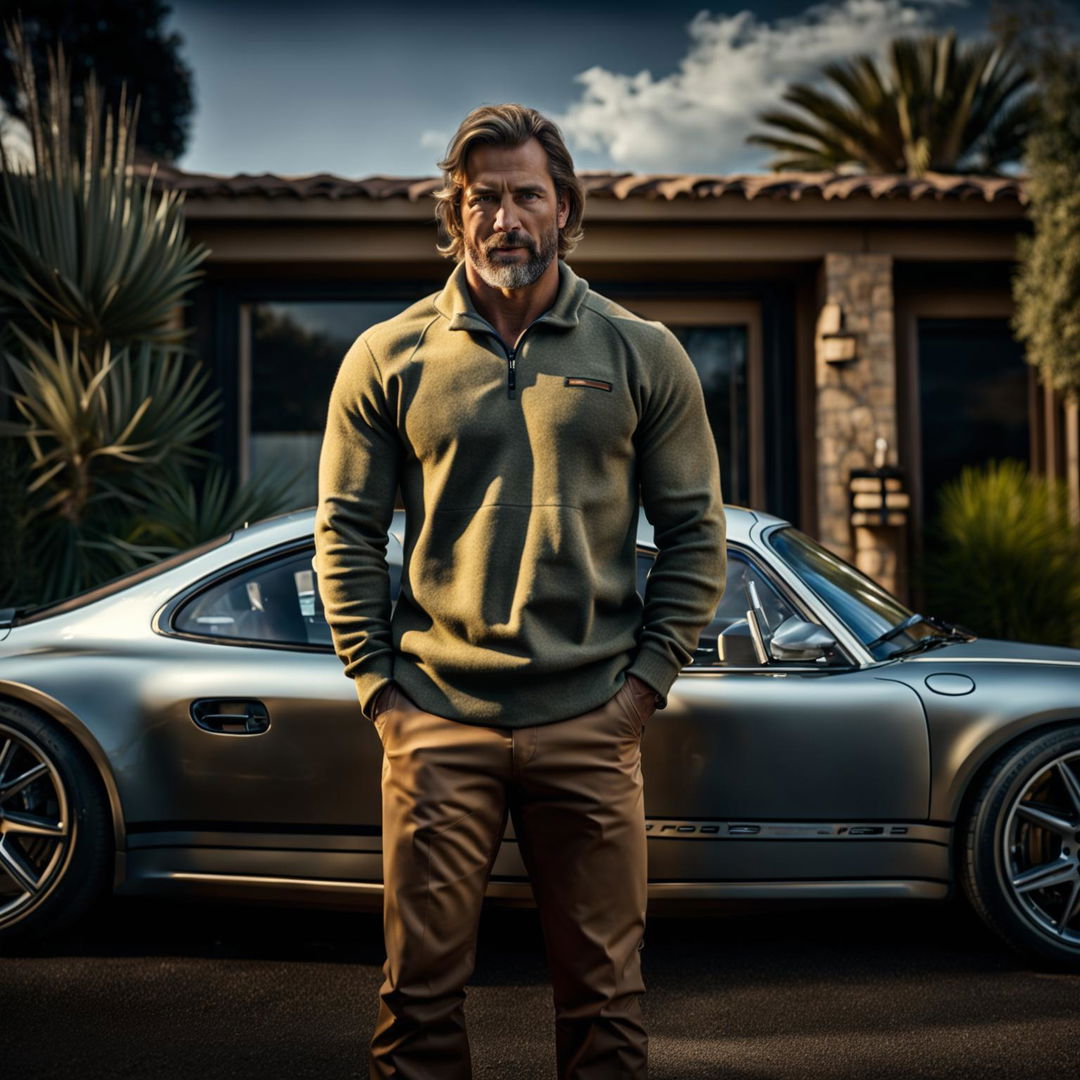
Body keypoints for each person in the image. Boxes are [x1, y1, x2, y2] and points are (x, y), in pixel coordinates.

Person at [315, 103, 726, 1080]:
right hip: (436, 724)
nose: (506, 217)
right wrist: (382, 694)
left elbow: (697, 535)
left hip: (591, 719)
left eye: (526, 196)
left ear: (565, 207)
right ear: (456, 216)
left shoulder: (642, 353)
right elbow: (345, 534)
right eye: (484, 199)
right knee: (417, 1009)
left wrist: (640, 693)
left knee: (606, 1010)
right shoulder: (387, 357)